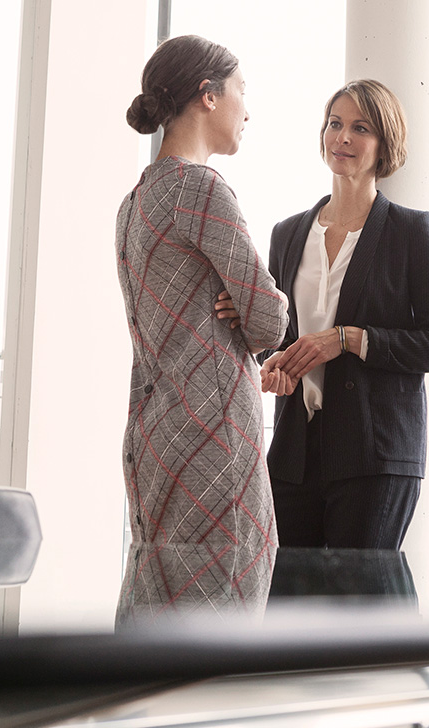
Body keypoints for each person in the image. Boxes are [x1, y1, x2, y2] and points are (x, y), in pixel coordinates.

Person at [259, 79, 429, 550]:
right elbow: (280, 335)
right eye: (334, 124)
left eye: (360, 127)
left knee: (361, 607)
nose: (342, 137)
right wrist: (272, 361)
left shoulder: (411, 231)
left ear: (384, 143)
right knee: (288, 605)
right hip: (293, 452)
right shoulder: (287, 234)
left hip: (374, 453)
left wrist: (349, 338)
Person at [117, 35, 289, 548]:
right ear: (208, 94)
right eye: (241, 89)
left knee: (157, 603)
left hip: (153, 436)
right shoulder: (201, 188)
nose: (247, 110)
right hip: (212, 438)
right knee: (226, 606)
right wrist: (265, 302)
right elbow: (266, 322)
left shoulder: (134, 203)